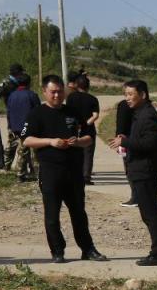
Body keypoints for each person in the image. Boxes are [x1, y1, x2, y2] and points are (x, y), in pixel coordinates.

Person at [20, 74, 106, 263]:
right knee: (52, 215)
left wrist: (77, 142)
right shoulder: (36, 114)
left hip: (74, 171)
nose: (57, 96)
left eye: (60, 92)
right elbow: (26, 140)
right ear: (44, 92)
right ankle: (57, 251)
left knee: (79, 213)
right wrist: (50, 141)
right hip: (51, 171)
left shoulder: (73, 112)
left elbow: (89, 137)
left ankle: (88, 249)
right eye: (53, 92)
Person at [110, 79, 157, 266]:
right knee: (147, 213)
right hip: (140, 169)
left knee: (151, 213)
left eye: (130, 94)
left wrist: (125, 142)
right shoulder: (139, 113)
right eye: (125, 95)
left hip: (146, 171)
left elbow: (150, 144)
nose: (127, 98)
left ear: (142, 95)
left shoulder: (148, 115)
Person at [64, 72, 100, 186]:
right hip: (88, 130)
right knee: (88, 154)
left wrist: (77, 124)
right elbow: (95, 115)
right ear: (88, 86)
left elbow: (68, 112)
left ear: (76, 85)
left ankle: (75, 175)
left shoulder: (71, 97)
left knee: (75, 152)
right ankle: (86, 177)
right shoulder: (93, 99)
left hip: (74, 128)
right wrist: (85, 124)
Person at [4, 73, 39, 182]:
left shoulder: (12, 95)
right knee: (32, 151)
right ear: (29, 83)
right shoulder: (32, 95)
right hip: (28, 127)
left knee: (21, 149)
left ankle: (14, 170)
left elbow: (8, 112)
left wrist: (10, 126)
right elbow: (38, 112)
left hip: (15, 127)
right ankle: (31, 173)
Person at [114, 97, 135, 208]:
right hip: (135, 141)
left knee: (128, 167)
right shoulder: (143, 106)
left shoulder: (123, 105)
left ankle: (135, 197)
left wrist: (118, 140)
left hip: (124, 141)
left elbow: (120, 125)